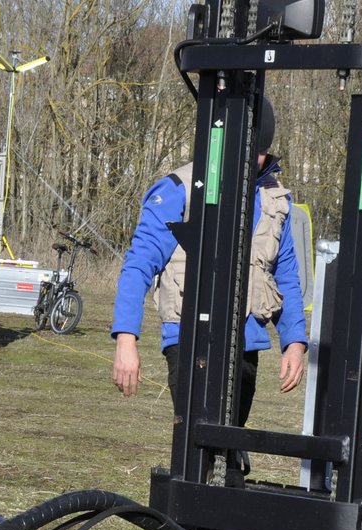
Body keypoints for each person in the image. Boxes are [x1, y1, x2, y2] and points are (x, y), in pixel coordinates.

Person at [111, 97, 309, 435]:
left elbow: (285, 273)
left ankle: (227, 475)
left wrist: (294, 341)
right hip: (190, 339)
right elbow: (138, 266)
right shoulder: (179, 190)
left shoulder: (275, 200)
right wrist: (126, 340)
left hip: (245, 343)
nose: (253, 159)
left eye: (260, 150)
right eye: (247, 147)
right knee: (197, 436)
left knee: (230, 436)